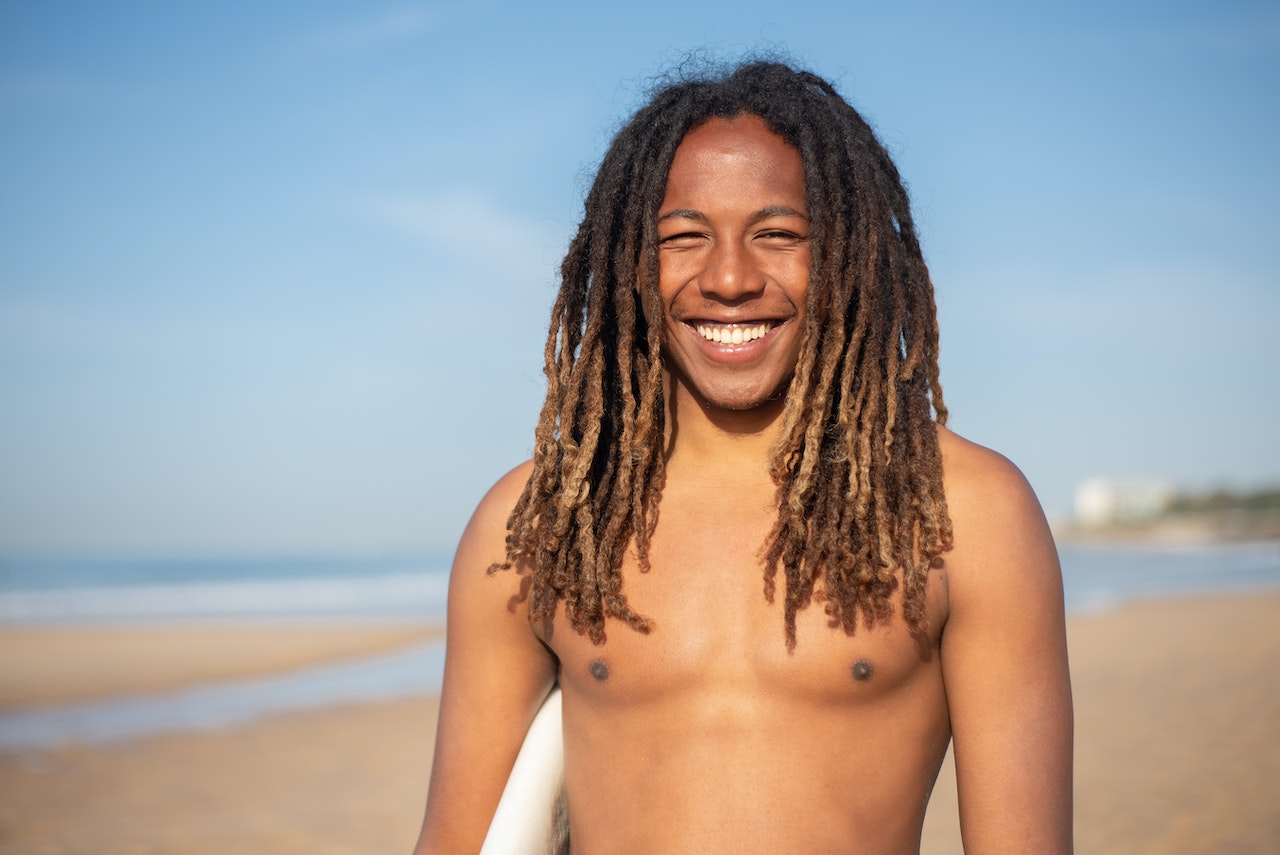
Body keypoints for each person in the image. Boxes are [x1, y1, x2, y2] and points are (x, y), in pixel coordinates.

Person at [413, 60, 1072, 854]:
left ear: (849, 255)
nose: (728, 278)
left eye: (778, 235)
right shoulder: (542, 520)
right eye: (684, 238)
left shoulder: (965, 512)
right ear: (630, 264)